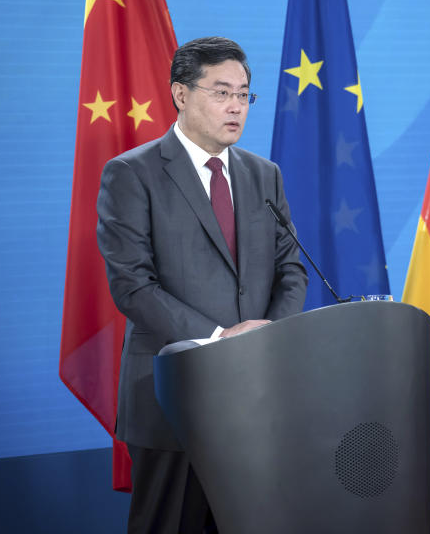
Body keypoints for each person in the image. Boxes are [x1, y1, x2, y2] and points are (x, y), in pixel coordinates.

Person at [97, 36, 309, 533]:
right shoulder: (132, 174)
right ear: (181, 94)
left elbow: (291, 269)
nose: (236, 107)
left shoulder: (264, 175)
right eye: (221, 93)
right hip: (174, 396)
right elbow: (132, 285)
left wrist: (269, 339)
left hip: (258, 396)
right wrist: (220, 341)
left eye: (244, 94)